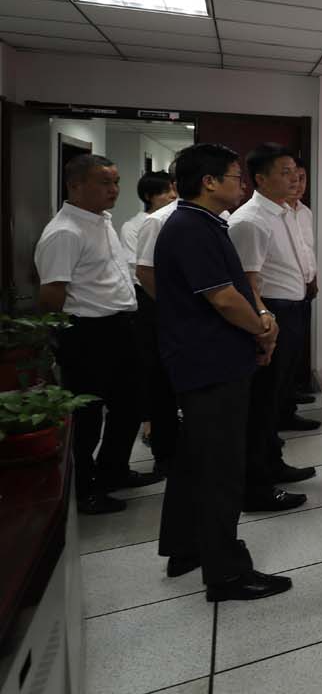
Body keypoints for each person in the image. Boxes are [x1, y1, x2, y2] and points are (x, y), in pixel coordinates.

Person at [154, 142, 292, 602]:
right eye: (236, 177)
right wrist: (261, 328)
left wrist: (259, 324)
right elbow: (225, 298)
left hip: (210, 358)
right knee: (220, 468)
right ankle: (226, 573)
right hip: (210, 363)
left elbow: (236, 289)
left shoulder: (205, 223)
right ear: (209, 182)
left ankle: (185, 546)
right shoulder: (192, 228)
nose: (242, 185)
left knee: (196, 458)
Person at [35, 154, 159, 514]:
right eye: (104, 182)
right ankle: (84, 489)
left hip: (120, 327)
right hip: (87, 333)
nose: (114, 189)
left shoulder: (100, 220)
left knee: (130, 405)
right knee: (87, 416)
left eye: (116, 181)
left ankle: (113, 471)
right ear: (75, 185)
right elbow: (51, 294)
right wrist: (57, 342)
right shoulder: (64, 232)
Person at [227, 144, 315, 513]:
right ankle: (256, 487)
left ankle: (272, 464)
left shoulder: (285, 212)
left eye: (295, 170)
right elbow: (247, 282)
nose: (294, 178)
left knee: (276, 399)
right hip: (270, 314)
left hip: (293, 309)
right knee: (261, 404)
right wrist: (263, 323)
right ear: (260, 179)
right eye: (284, 172)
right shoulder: (250, 221)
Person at [124, 171, 178, 476]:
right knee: (157, 374)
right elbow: (141, 271)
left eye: (172, 189)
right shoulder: (138, 226)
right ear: (149, 196)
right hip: (151, 300)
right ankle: (162, 445)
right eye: (165, 191)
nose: (171, 195)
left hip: (173, 301)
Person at [284, 158, 318, 400]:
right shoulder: (274, 213)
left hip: (304, 289)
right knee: (281, 353)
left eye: (302, 178)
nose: (298, 183)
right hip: (280, 294)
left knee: (296, 348)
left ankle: (290, 397)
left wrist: (313, 280)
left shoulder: (305, 212)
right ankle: (281, 405)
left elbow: (307, 251)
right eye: (293, 177)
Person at [120, 171, 174, 261]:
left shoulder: (178, 221)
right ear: (148, 196)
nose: (173, 195)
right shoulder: (132, 227)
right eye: (165, 191)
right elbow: (134, 264)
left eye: (175, 190)